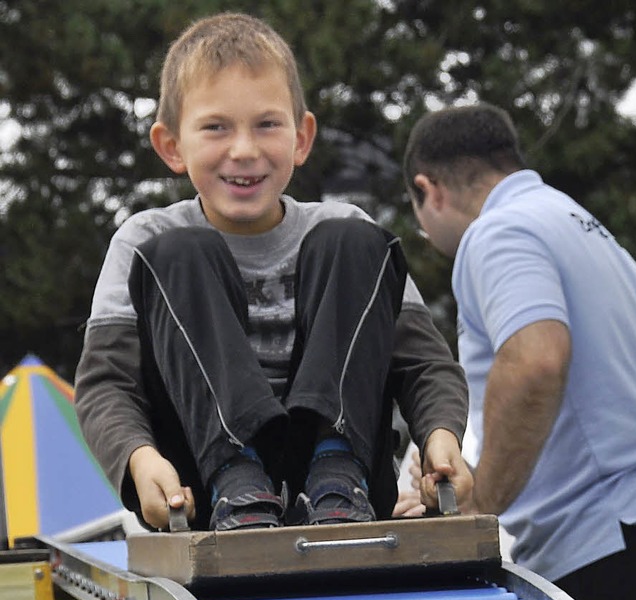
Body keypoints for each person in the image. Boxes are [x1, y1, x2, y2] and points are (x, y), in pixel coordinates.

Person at [74, 12, 472, 536]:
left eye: (267, 124)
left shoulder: (347, 234)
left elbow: (424, 364)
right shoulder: (143, 243)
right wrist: (138, 458)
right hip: (202, 488)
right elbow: (107, 383)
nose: (244, 149)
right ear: (172, 145)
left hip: (347, 484)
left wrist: (441, 435)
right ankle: (235, 472)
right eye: (216, 127)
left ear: (301, 137)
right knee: (179, 251)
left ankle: (335, 466)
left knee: (353, 238)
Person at [402, 101, 636, 600]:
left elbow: (535, 359)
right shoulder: (577, 223)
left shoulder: (498, 232)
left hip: (603, 543)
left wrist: (481, 505)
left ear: (428, 190)